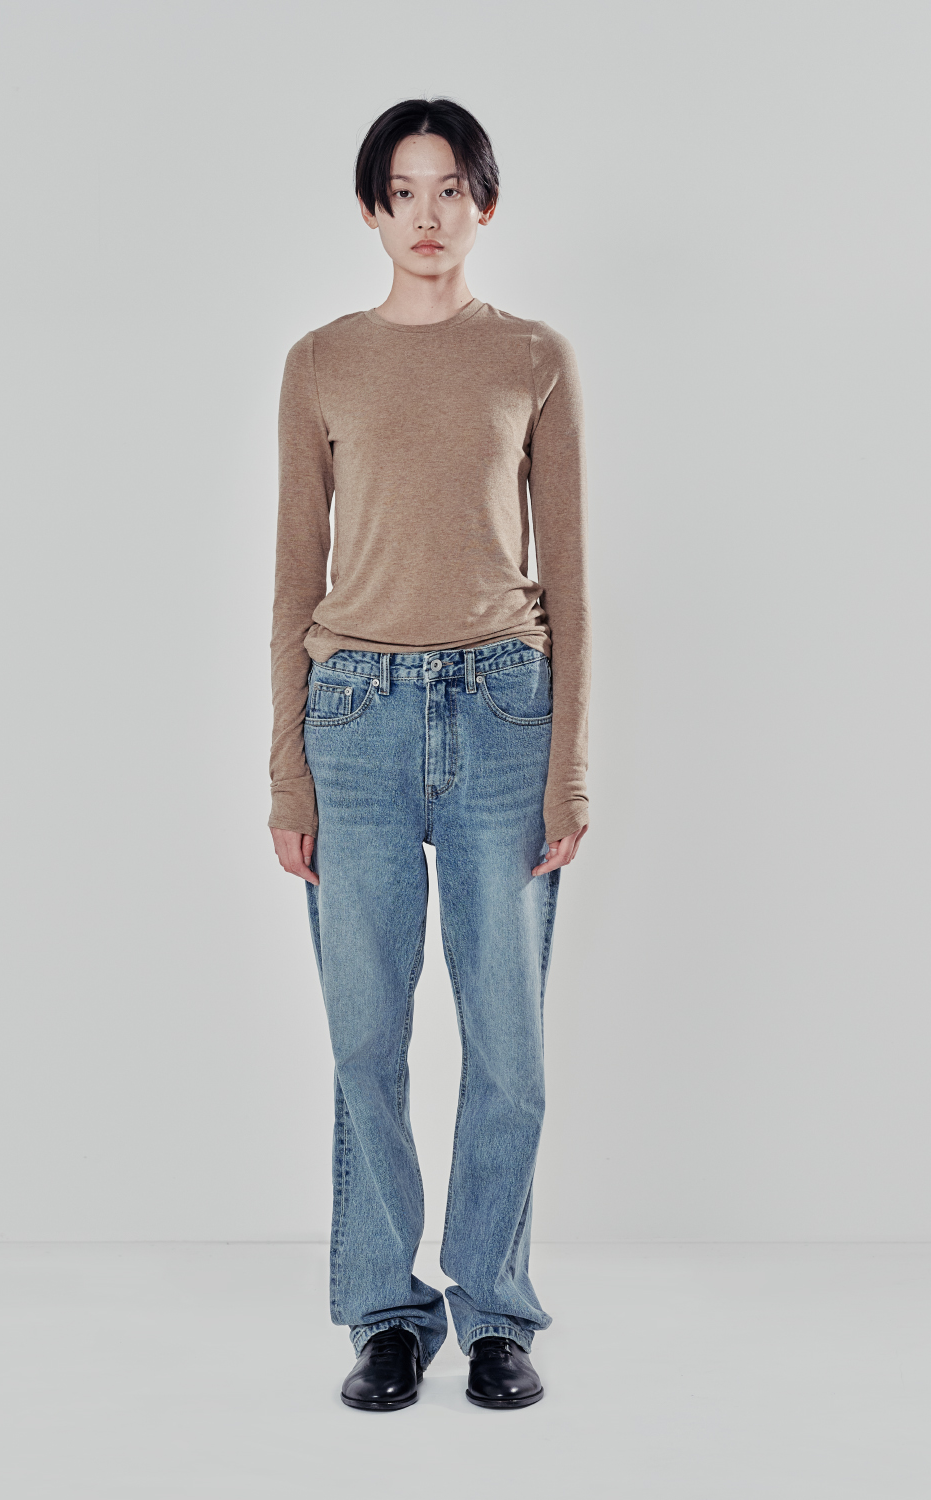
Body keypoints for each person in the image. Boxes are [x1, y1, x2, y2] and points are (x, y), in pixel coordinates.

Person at [269, 97, 589, 1411]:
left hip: (505, 709)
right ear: (371, 210)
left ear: (485, 204)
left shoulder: (533, 356)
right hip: (353, 719)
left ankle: (497, 1313)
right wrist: (284, 772)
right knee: (366, 1040)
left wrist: (570, 762)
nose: (427, 215)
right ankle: (387, 1315)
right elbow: (295, 574)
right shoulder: (322, 363)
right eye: (403, 192)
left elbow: (569, 575)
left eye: (451, 189)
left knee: (508, 1045)